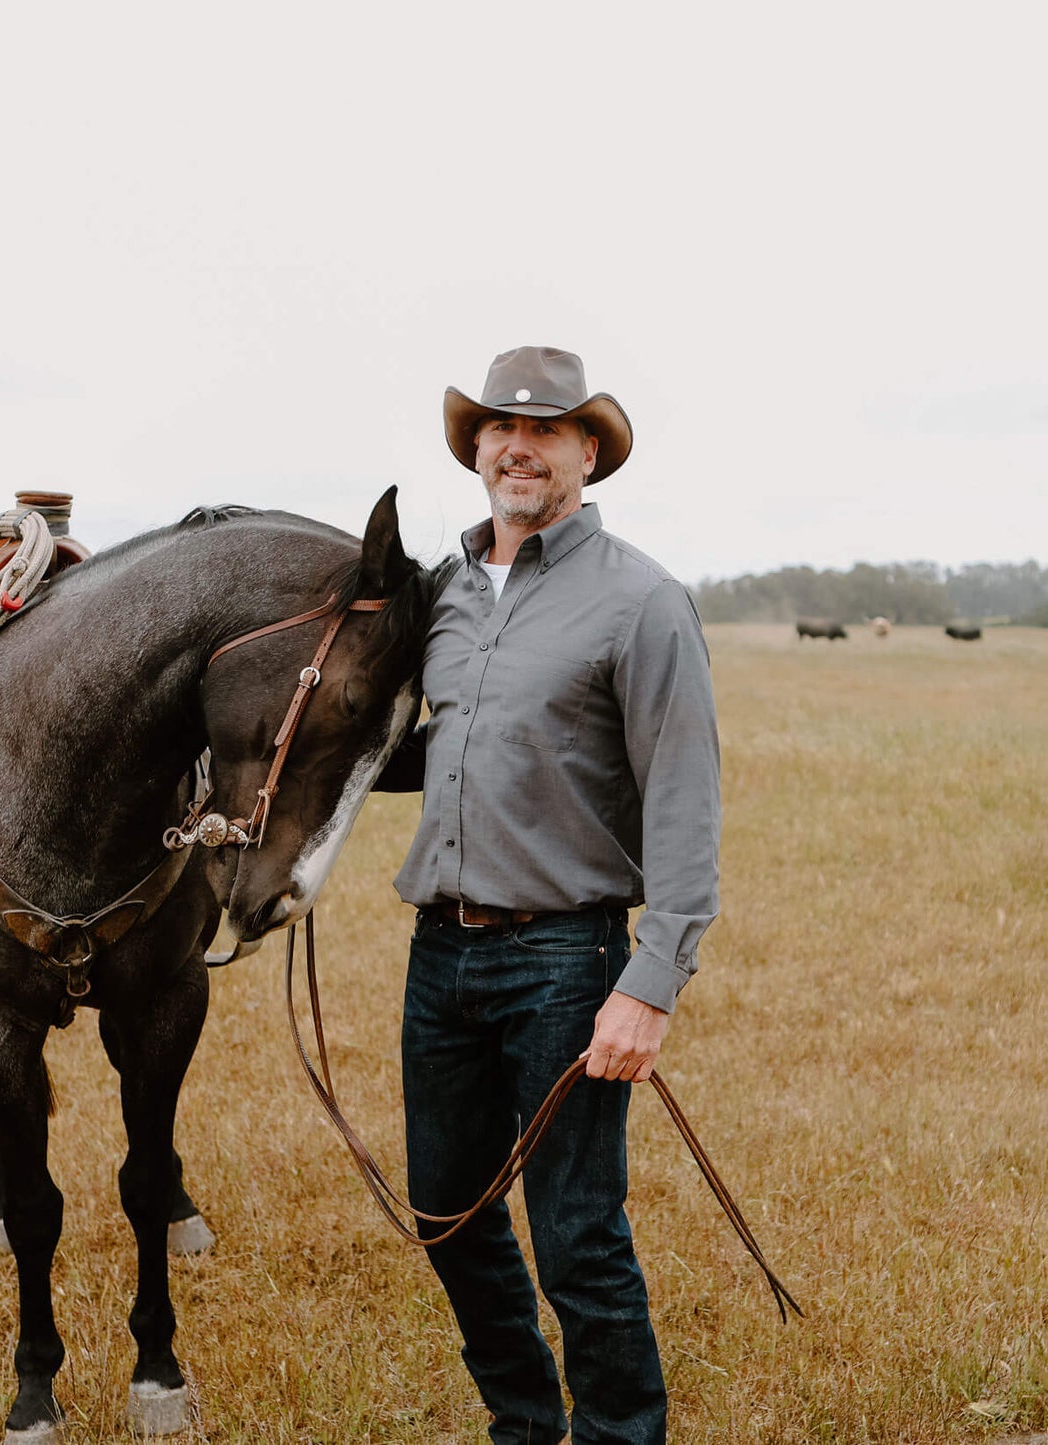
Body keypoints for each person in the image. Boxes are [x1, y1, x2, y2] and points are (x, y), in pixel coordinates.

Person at [376, 345, 721, 1444]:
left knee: (575, 1229)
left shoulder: (640, 601)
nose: (516, 446)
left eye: (544, 430)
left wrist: (649, 982)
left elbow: (681, 793)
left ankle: (620, 1432)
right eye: (497, 429)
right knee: (445, 1213)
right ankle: (523, 1423)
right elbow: (415, 746)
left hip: (564, 958)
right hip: (440, 953)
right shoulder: (441, 594)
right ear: (475, 449)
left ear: (587, 452)